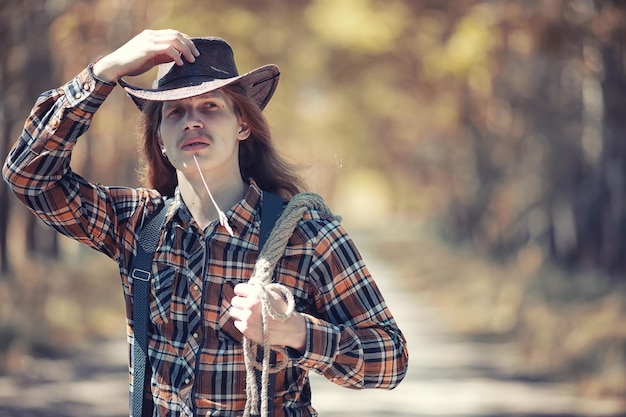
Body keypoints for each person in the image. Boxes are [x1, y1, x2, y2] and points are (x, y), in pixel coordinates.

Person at [3, 29, 408, 417]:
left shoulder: (306, 235)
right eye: (175, 112)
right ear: (160, 137)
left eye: (210, 106)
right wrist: (104, 72)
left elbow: (390, 359)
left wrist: (295, 332)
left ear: (243, 125)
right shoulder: (136, 224)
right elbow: (29, 175)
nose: (192, 121)